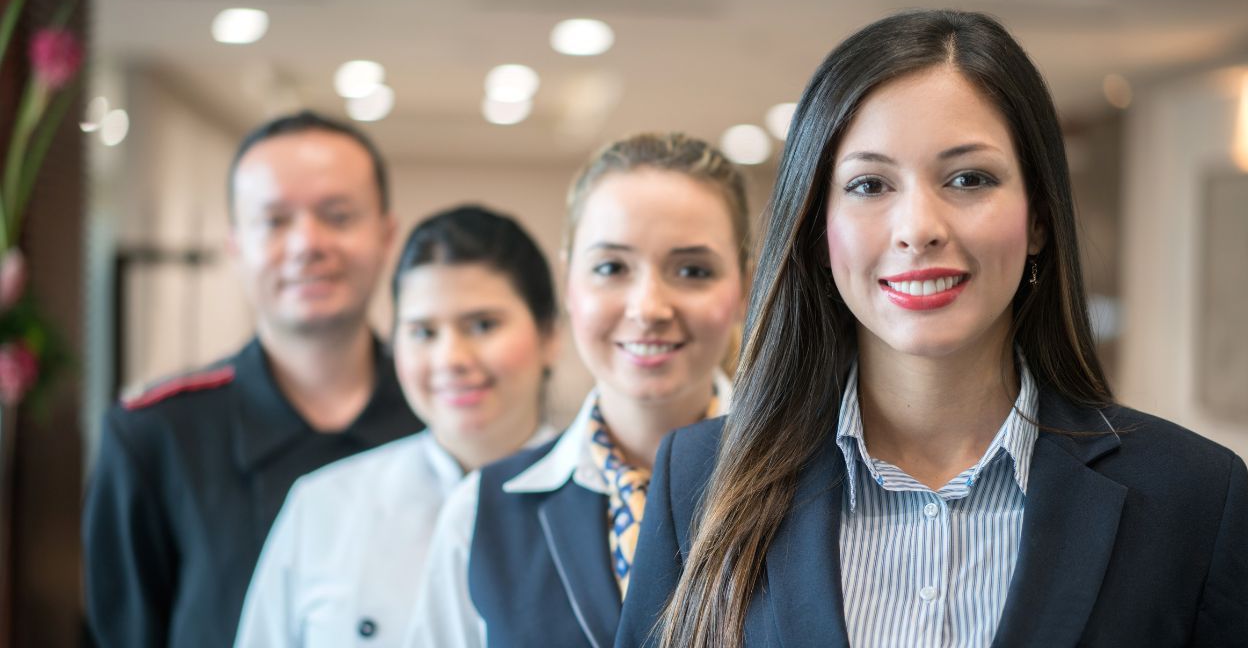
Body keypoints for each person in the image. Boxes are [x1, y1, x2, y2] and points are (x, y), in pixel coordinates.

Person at [617, 10, 1248, 648]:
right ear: (818, 230)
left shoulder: (1190, 497)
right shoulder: (700, 478)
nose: (918, 227)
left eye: (968, 178)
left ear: (1038, 218)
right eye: (870, 184)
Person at [82, 110, 423, 648]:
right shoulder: (155, 436)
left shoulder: (442, 421)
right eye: (275, 220)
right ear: (236, 245)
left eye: (338, 215)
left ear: (386, 235)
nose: (307, 243)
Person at [403, 133, 751, 647]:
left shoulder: (816, 484)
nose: (648, 307)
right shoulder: (483, 512)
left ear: (742, 286)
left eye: (692, 271)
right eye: (611, 268)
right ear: (569, 284)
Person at [234, 205, 562, 647]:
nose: (451, 360)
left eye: (483, 325)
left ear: (550, 336)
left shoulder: (610, 504)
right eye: (423, 332)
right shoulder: (324, 506)